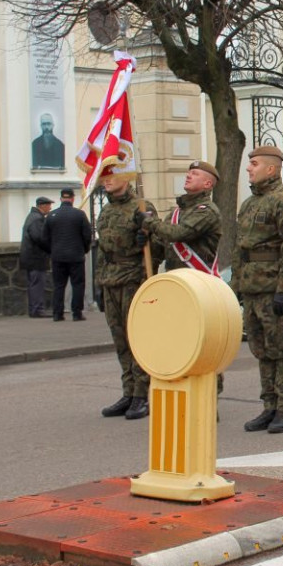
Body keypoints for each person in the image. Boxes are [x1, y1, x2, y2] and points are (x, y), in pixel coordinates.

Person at [230, 146, 283, 433]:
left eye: (254, 164)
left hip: (274, 288)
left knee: (282, 350)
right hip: (252, 289)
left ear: (271, 169)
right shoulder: (249, 204)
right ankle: (269, 406)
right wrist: (236, 286)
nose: (249, 168)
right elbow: (240, 249)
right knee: (261, 351)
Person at [138, 160, 225, 397]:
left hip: (199, 285)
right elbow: (162, 242)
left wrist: (151, 223)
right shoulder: (177, 212)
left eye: (194, 174)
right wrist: (146, 241)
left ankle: (209, 394)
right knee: (179, 339)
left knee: (202, 342)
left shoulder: (207, 212)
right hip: (177, 286)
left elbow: (180, 234)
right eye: (188, 173)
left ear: (207, 183)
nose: (188, 176)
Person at [97, 174, 162, 419]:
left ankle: (142, 394)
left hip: (134, 279)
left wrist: (149, 274)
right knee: (120, 340)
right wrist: (98, 281)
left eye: (112, 176)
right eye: (104, 177)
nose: (106, 181)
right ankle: (128, 391)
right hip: (110, 280)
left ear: (126, 177)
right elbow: (103, 250)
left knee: (137, 339)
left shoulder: (142, 207)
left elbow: (157, 247)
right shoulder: (105, 211)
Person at [42, 188, 92, 322]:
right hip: (76, 255)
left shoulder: (51, 215)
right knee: (78, 284)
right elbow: (87, 235)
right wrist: (84, 249)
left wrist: (52, 251)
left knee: (59, 285)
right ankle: (77, 313)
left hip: (58, 256)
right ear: (73, 199)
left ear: (60, 199)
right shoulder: (79, 215)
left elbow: (44, 238)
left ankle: (57, 313)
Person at [20, 196, 53, 317]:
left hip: (31, 257)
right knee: (37, 284)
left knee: (34, 283)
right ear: (42, 206)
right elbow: (39, 238)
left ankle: (35, 308)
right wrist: (50, 248)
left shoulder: (33, 217)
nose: (50, 208)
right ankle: (37, 309)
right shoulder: (37, 219)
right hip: (36, 257)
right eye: (49, 205)